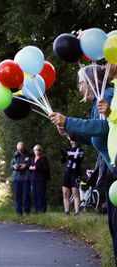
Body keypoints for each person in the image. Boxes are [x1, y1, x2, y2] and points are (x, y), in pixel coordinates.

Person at [50, 64, 116, 261]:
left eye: (80, 82)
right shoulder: (99, 99)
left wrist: (68, 121)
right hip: (112, 171)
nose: (79, 87)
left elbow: (105, 127)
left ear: (90, 82)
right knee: (114, 225)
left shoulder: (108, 94)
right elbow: (98, 136)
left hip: (114, 169)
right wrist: (73, 133)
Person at [97, 64, 117, 263]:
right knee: (113, 223)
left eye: (108, 61)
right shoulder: (114, 88)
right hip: (113, 161)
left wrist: (111, 112)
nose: (104, 66)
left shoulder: (111, 92)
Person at [60, 141, 84, 216]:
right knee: (65, 192)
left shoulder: (81, 150)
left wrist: (68, 156)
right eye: (71, 140)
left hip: (76, 173)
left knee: (75, 192)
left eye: (74, 140)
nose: (72, 141)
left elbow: (78, 160)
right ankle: (66, 212)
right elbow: (63, 161)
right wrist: (63, 156)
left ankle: (77, 212)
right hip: (67, 172)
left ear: (77, 141)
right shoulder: (68, 150)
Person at [10, 141, 30, 216]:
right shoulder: (15, 155)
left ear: (24, 148)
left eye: (21, 150)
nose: (19, 151)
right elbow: (11, 164)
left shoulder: (29, 155)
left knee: (25, 195)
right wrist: (14, 166)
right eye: (18, 150)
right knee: (17, 196)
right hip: (16, 178)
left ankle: (26, 212)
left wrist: (26, 166)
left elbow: (32, 163)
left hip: (25, 178)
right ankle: (18, 212)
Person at [29, 144, 50, 213]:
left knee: (41, 194)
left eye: (38, 150)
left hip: (41, 179)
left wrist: (36, 168)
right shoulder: (32, 158)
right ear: (33, 151)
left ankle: (42, 209)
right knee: (34, 194)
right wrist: (30, 168)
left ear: (41, 151)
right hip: (33, 179)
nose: (37, 151)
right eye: (35, 150)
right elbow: (29, 167)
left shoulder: (43, 158)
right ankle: (36, 209)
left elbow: (46, 169)